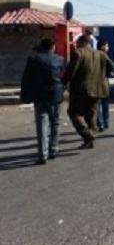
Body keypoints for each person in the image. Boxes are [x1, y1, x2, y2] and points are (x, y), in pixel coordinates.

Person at [63, 35, 114, 149]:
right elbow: (111, 65)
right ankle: (89, 140)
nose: (76, 44)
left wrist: (65, 83)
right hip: (98, 88)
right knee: (91, 114)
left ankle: (88, 135)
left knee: (73, 113)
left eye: (77, 42)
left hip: (82, 90)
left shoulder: (78, 53)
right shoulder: (100, 54)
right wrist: (103, 76)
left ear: (82, 42)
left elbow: (71, 72)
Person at [20, 37, 65, 165]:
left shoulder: (33, 59)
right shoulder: (59, 59)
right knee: (55, 123)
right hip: (56, 95)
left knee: (42, 125)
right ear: (53, 47)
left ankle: (42, 154)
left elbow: (26, 78)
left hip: (39, 95)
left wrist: (24, 95)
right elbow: (62, 76)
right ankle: (54, 149)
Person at [96, 39, 114, 132]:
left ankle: (101, 123)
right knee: (104, 103)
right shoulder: (104, 56)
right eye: (107, 46)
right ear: (103, 47)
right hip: (104, 82)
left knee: (99, 104)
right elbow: (111, 66)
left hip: (96, 83)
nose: (108, 48)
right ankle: (105, 122)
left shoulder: (94, 55)